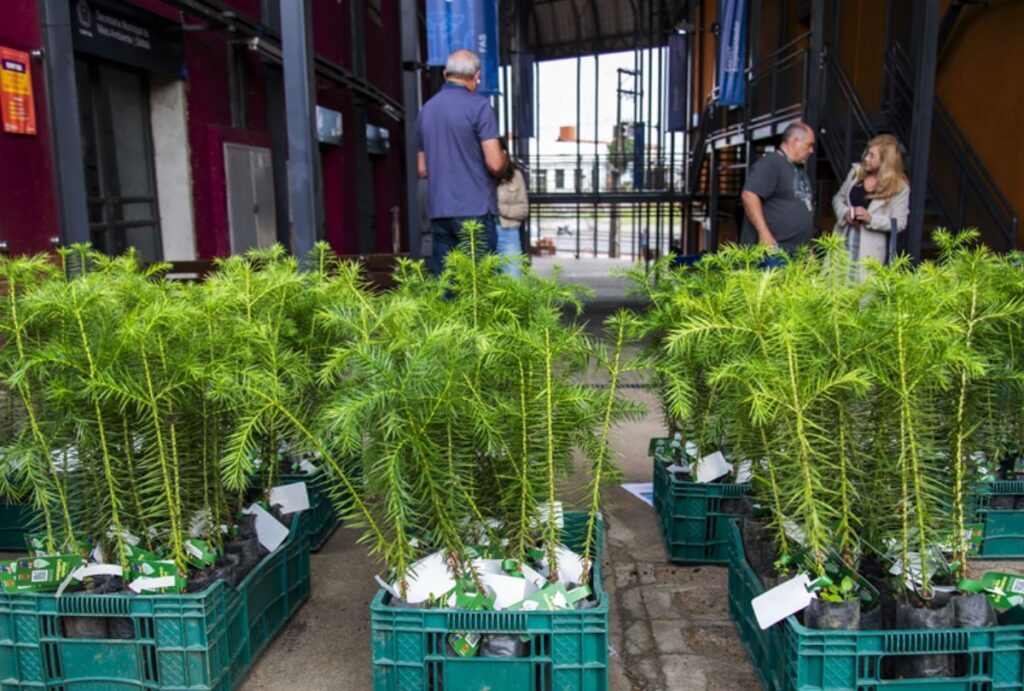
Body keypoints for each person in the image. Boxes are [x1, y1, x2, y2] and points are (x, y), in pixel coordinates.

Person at [416, 49, 506, 274]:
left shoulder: (427, 110)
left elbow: (422, 169)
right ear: (476, 76)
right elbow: (495, 164)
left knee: (446, 284)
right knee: (480, 283)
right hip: (475, 210)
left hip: (440, 212)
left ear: (445, 74)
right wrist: (503, 159)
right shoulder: (479, 106)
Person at [831, 134, 910, 268]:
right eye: (867, 153)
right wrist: (845, 213)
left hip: (871, 254)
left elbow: (900, 223)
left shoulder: (899, 187)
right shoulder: (856, 173)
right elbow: (838, 198)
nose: (866, 158)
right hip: (842, 244)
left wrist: (870, 219)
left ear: (885, 161)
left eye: (872, 156)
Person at [740, 122, 817, 252]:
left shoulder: (798, 169)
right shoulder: (770, 164)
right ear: (794, 142)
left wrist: (808, 247)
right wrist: (764, 234)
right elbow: (749, 195)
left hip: (796, 252)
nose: (811, 150)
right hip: (773, 251)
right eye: (809, 145)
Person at [495, 137, 529, 277]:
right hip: (482, 234)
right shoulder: (477, 174)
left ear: (504, 153)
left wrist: (499, 209)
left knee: (514, 281)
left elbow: (523, 210)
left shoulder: (515, 175)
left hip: (508, 233)